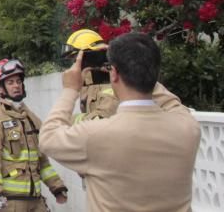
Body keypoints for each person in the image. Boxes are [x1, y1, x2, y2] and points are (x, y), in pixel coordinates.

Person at [39, 32, 201, 212]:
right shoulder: (188, 127)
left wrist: (70, 90)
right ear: (156, 72)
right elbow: (172, 103)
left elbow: (48, 137)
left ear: (113, 74)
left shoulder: (94, 136)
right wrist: (141, 68)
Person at [0, 58, 68, 211]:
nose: (16, 86)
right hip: (9, 202)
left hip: (36, 201)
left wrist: (56, 187)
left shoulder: (31, 118)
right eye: (11, 82)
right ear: (0, 88)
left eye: (18, 81)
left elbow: (42, 160)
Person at [64, 29, 119, 122]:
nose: (75, 65)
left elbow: (101, 119)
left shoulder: (116, 80)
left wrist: (67, 122)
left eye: (76, 59)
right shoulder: (88, 81)